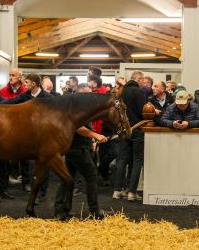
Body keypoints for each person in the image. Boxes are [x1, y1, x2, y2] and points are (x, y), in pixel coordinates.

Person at [53, 84, 107, 221]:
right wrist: (95, 136)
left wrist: (92, 142)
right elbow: (78, 127)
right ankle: (95, 211)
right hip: (76, 148)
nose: (91, 97)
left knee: (67, 179)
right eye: (88, 95)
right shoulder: (74, 109)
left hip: (75, 147)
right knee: (91, 176)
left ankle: (61, 210)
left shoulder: (77, 107)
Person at [113, 70, 146, 202]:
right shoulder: (139, 92)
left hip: (123, 129)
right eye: (143, 80)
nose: (143, 82)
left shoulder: (121, 91)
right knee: (137, 160)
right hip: (137, 128)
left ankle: (117, 190)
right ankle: (132, 192)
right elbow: (142, 111)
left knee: (122, 159)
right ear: (138, 79)